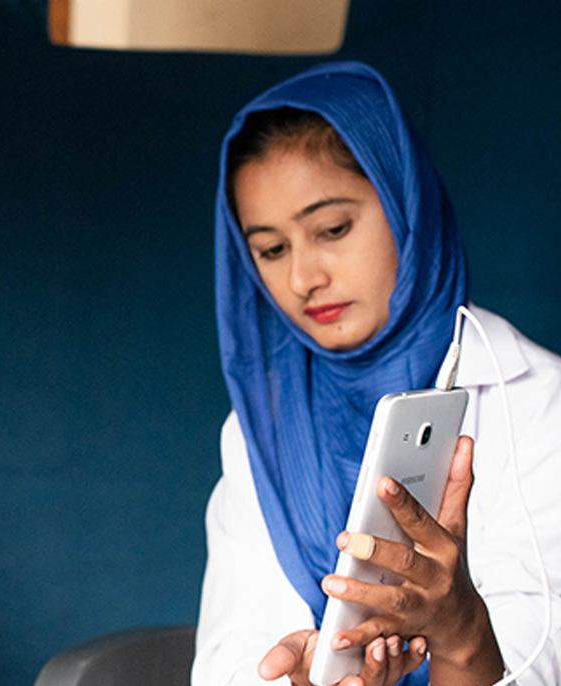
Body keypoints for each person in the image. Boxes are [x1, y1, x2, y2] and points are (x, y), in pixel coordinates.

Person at [192, 61, 561, 686]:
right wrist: (307, 678)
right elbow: (229, 664)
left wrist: (462, 634)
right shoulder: (261, 425)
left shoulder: (541, 404)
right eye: (272, 250)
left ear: (404, 203)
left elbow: (540, 666)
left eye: (332, 229)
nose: (304, 278)